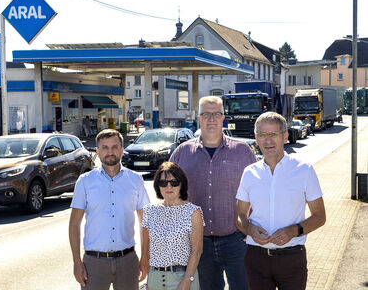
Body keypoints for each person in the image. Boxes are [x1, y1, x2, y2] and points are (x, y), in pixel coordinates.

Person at [169, 96, 256, 290]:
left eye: (216, 114)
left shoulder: (242, 151)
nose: (211, 119)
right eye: (206, 114)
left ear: (223, 117)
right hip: (199, 246)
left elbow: (258, 192)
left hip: (237, 241)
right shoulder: (182, 153)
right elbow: (169, 195)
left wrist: (250, 229)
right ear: (198, 118)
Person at [235, 112, 326, 289]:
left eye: (273, 134)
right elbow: (240, 215)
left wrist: (293, 230)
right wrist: (249, 228)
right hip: (256, 259)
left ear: (285, 136)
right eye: (262, 134)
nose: (267, 141)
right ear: (256, 138)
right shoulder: (249, 172)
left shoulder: (304, 170)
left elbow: (320, 216)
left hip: (292, 259)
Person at [69, 129, 150, 290]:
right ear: (97, 151)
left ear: (122, 149)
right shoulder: (85, 181)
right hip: (94, 263)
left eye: (114, 147)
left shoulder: (135, 180)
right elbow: (74, 224)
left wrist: (145, 258)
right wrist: (77, 262)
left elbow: (145, 223)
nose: (110, 152)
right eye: (105, 147)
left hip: (128, 260)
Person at [141, 162, 204, 290]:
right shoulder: (149, 211)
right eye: (163, 183)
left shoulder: (193, 211)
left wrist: (187, 280)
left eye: (174, 182)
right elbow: (147, 249)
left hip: (182, 278)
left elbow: (196, 251)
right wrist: (149, 280)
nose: (168, 186)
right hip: (155, 280)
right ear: (158, 186)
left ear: (181, 184)